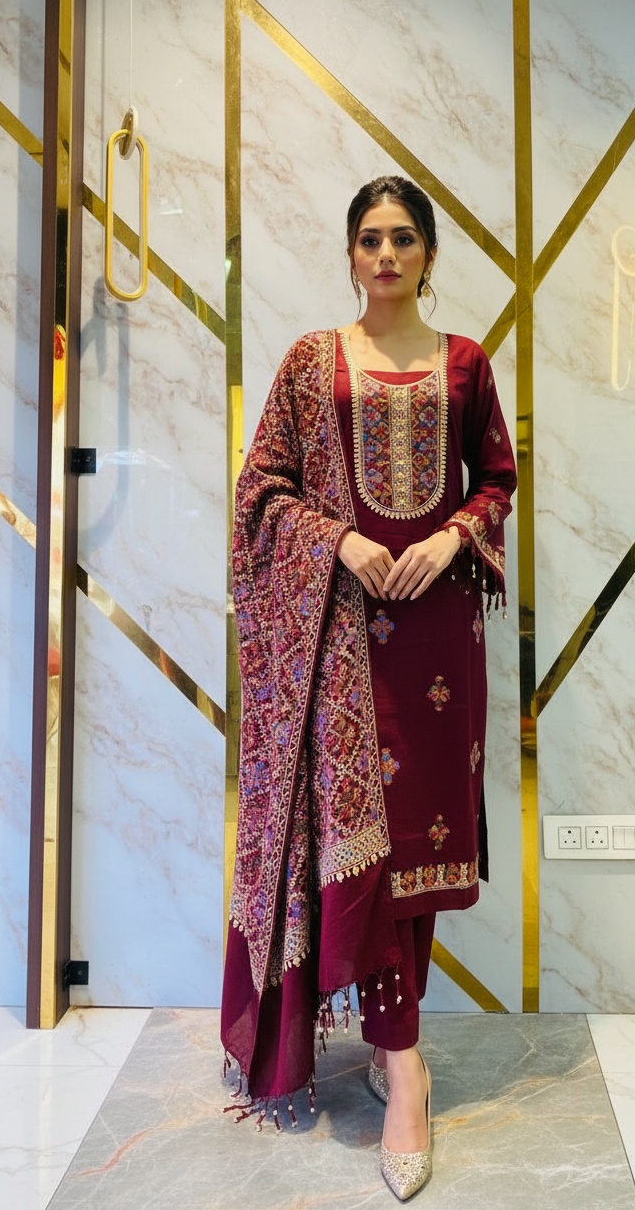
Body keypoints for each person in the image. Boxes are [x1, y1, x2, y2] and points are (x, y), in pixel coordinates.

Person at [221, 175, 517, 1199]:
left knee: (420, 851)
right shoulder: (312, 364)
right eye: (368, 238)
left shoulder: (466, 364)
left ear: (428, 254)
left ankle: (400, 1053)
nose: (384, 253)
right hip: (338, 644)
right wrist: (338, 541)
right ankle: (404, 1071)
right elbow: (261, 491)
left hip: (437, 641)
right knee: (366, 851)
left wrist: (453, 537)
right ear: (350, 255)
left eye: (402, 238)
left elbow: (497, 480)